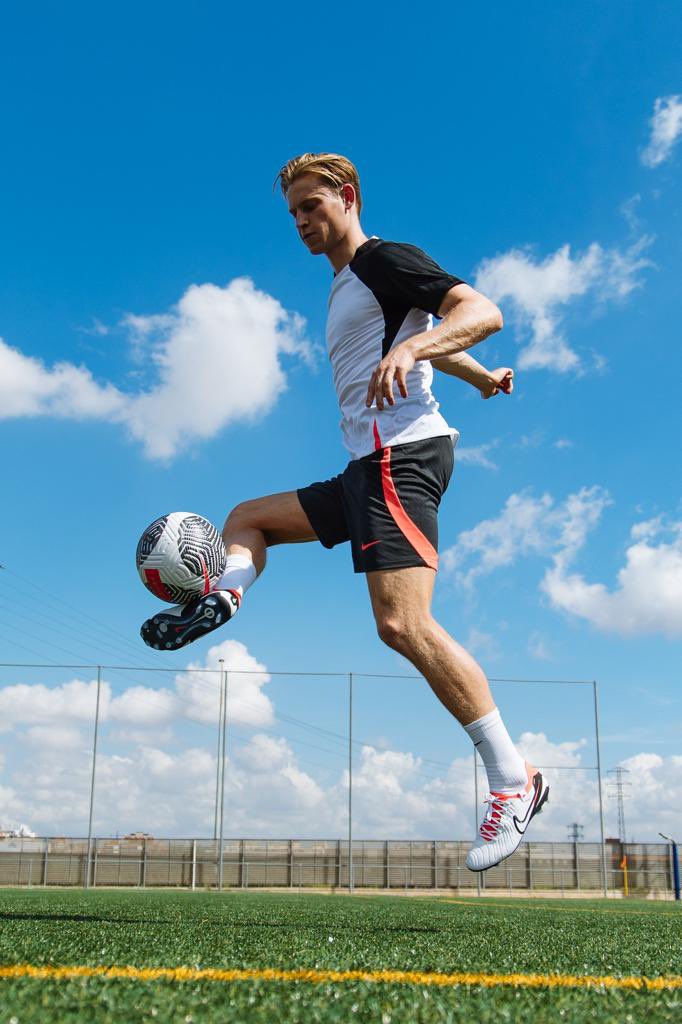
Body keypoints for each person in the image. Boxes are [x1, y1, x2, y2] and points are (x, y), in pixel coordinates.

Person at [141, 153, 549, 871]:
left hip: (403, 456)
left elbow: (479, 311)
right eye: (293, 212)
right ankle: (224, 595)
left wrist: (425, 345)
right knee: (247, 518)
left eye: (311, 205)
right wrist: (481, 376)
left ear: (348, 197)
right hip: (365, 468)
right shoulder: (343, 289)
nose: (301, 222)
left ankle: (514, 781)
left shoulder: (381, 259)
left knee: (402, 623)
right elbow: (422, 335)